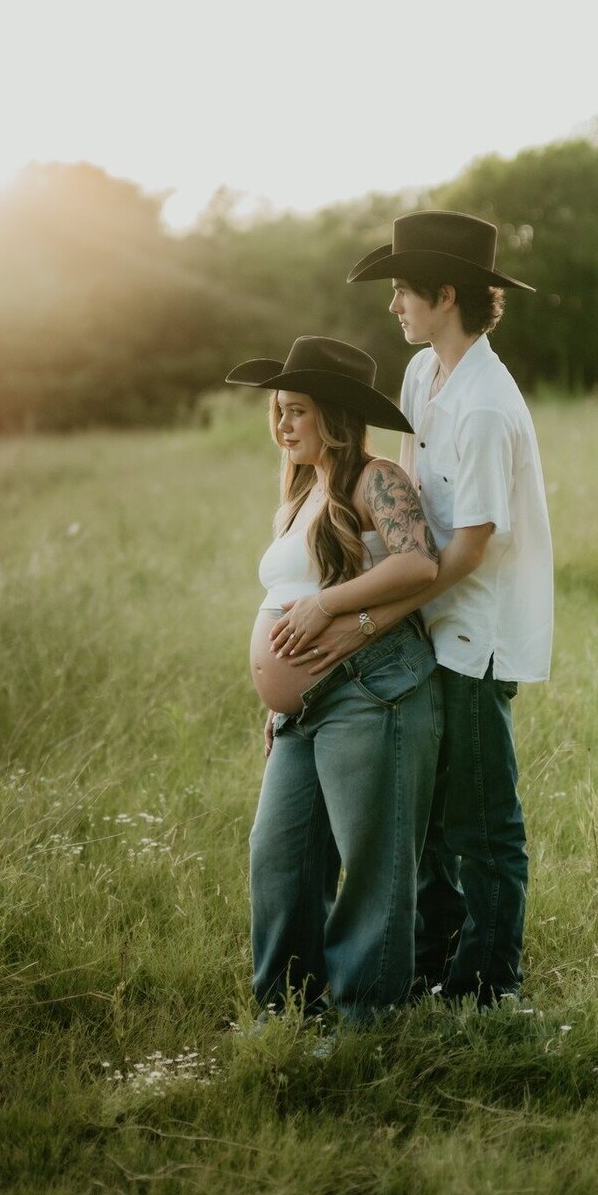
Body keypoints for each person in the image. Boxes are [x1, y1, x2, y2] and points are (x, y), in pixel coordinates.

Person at [272, 214, 553, 1006]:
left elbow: (464, 550)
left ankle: (489, 987)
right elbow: (402, 506)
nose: (394, 304)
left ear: (446, 295)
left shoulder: (488, 406)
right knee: (425, 822)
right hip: (425, 621)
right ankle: (431, 963)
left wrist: (368, 618)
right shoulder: (424, 377)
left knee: (483, 827)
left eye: (402, 290)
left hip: (475, 631)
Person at [226, 334, 443, 1021]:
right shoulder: (299, 492)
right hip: (302, 707)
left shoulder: (375, 478)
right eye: (279, 411)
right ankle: (287, 1011)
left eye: (298, 411)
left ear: (336, 415)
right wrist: (277, 696)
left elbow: (419, 566)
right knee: (278, 858)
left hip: (371, 689)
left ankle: (364, 1023)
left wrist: (325, 605)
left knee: (371, 868)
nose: (283, 425)